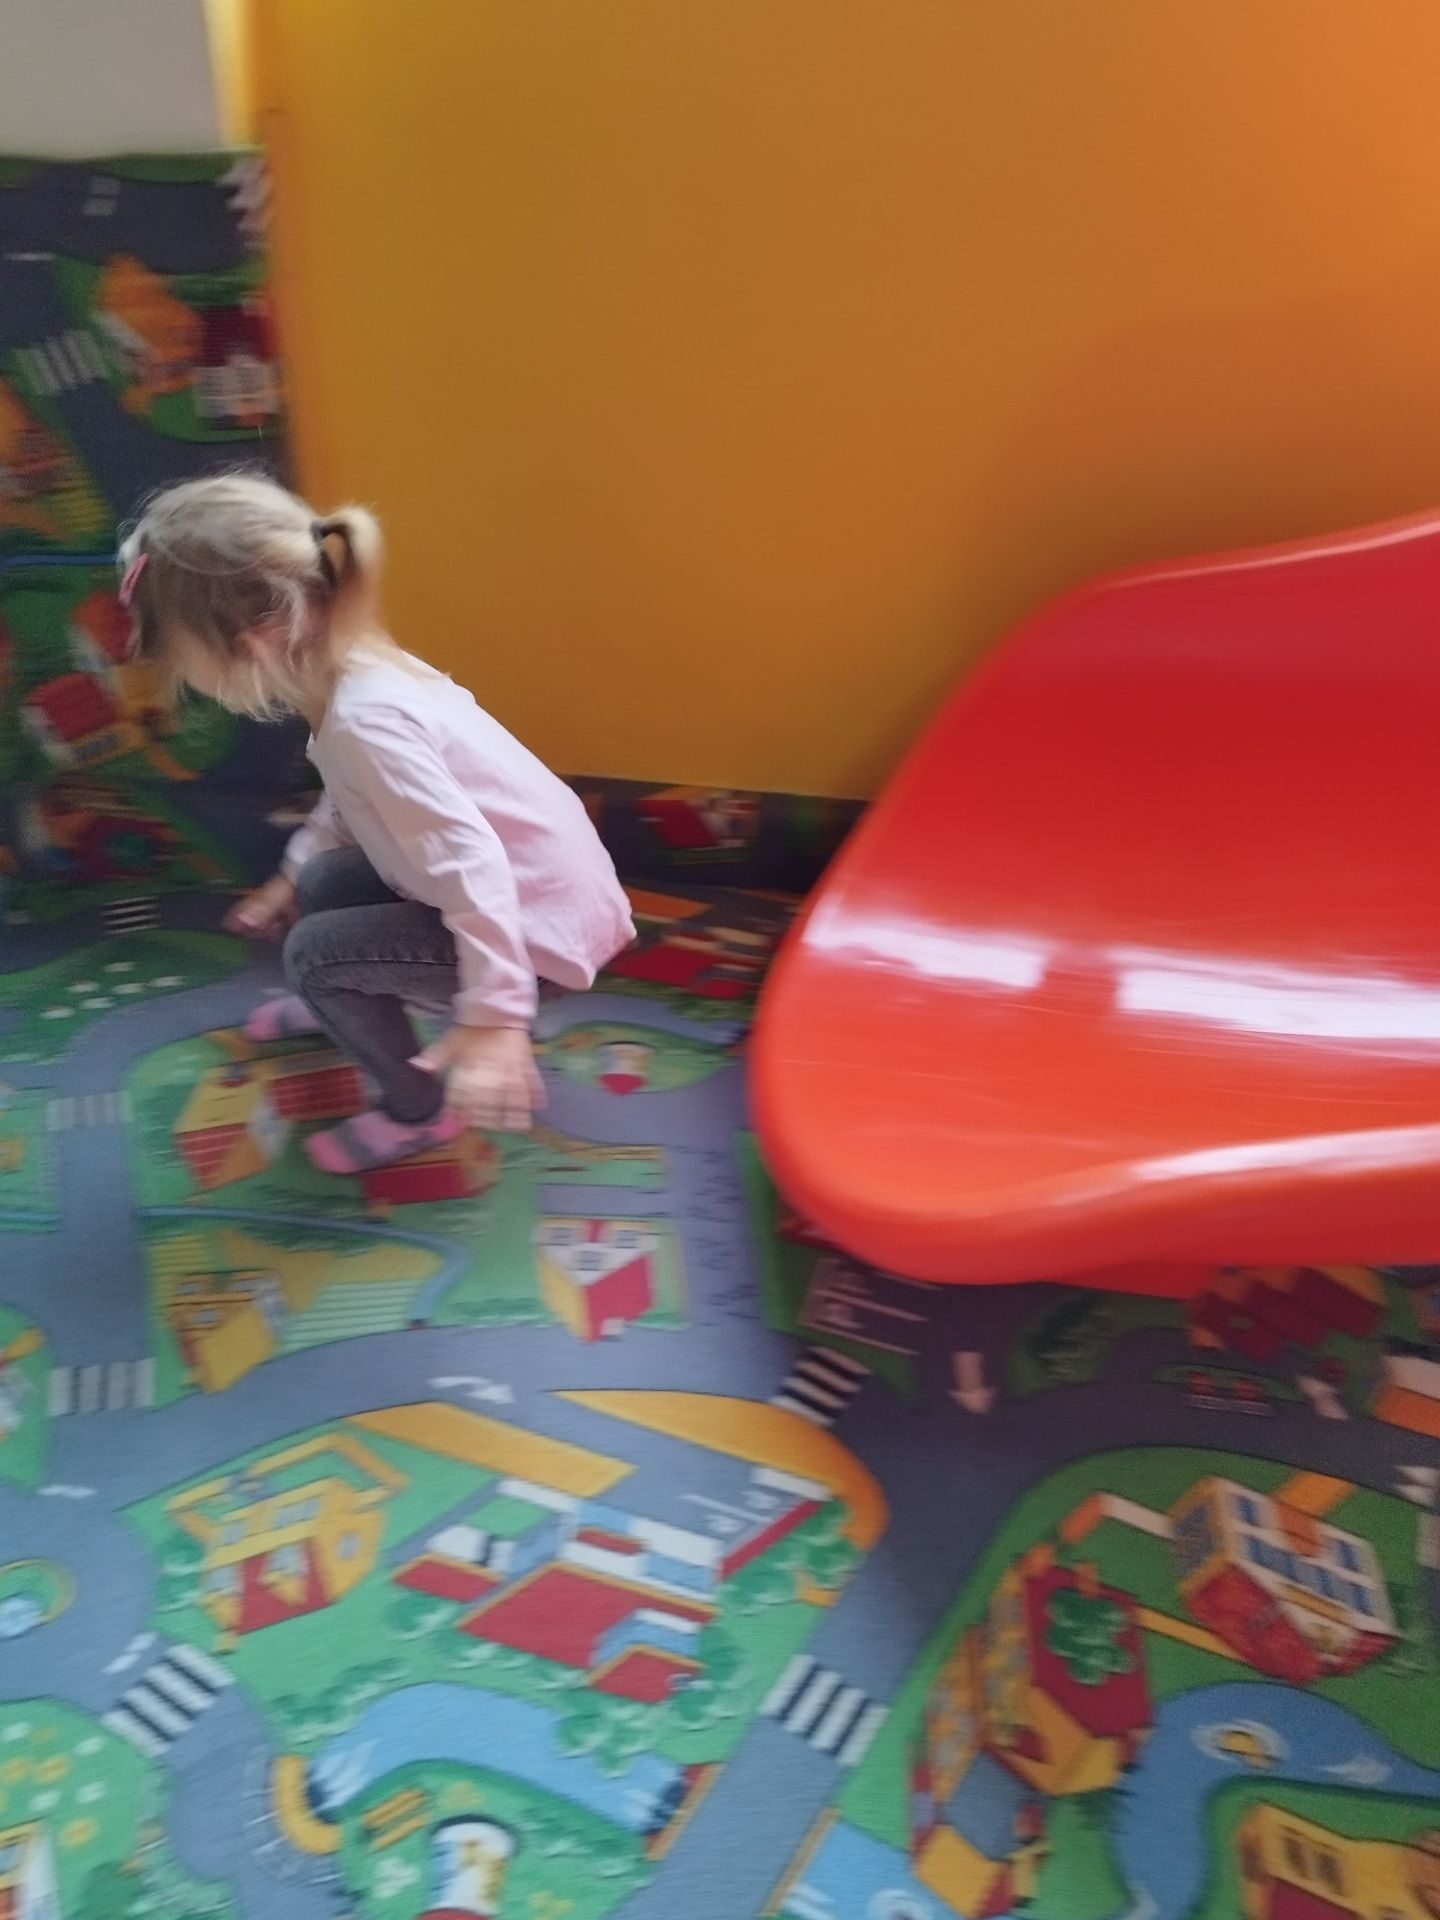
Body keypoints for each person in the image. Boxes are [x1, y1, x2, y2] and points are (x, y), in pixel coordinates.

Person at [117, 472, 634, 1173]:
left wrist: (495, 1018)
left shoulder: (365, 723)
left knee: (313, 956)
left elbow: (473, 862)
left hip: (534, 936)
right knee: (322, 884)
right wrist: (286, 879)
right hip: (544, 895)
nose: (185, 680)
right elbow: (354, 806)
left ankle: (417, 1110)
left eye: (184, 662)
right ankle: (350, 1005)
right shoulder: (352, 676)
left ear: (252, 642)